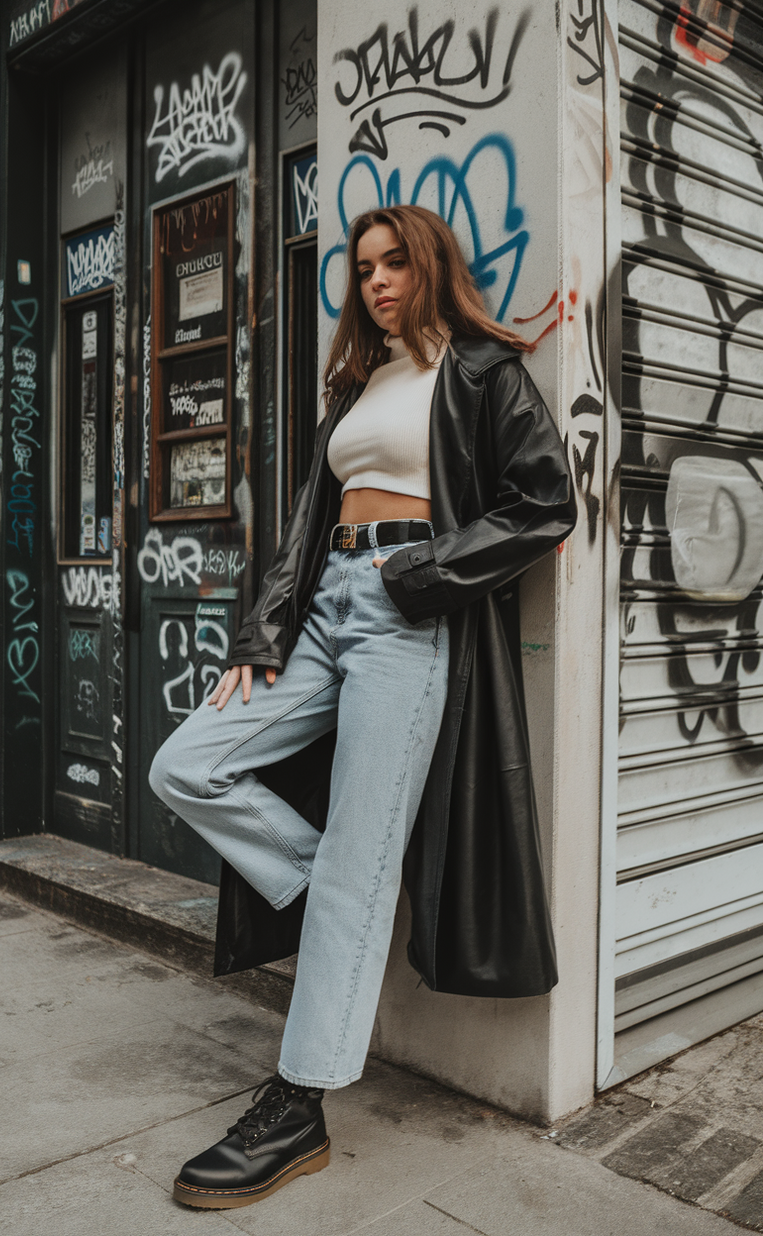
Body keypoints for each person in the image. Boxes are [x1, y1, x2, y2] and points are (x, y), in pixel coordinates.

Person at [149, 204, 576, 1210]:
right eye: (362, 268)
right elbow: (306, 523)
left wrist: (424, 572)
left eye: (393, 263)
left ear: (428, 266)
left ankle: (298, 1103)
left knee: (355, 858)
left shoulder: (478, 371)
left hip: (403, 613)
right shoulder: (355, 382)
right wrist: (262, 633)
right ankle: (338, 889)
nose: (375, 280)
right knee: (188, 764)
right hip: (324, 612)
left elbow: (543, 500)